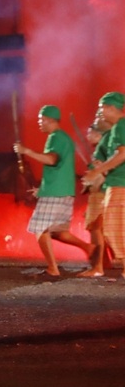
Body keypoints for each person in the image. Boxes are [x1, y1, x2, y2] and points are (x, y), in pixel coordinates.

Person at [14, 105, 93, 277]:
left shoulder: (55, 137)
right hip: (64, 190)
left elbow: (52, 160)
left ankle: (52, 268)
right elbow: (60, 168)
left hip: (55, 192)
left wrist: (26, 151)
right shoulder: (63, 138)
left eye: (41, 120)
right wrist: (42, 189)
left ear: (49, 120)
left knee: (39, 228)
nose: (39, 123)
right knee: (58, 232)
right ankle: (88, 247)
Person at [83, 92, 125, 281]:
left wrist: (97, 171)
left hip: (120, 184)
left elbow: (122, 154)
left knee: (115, 228)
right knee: (113, 228)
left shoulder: (120, 126)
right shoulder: (116, 129)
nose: (99, 113)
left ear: (111, 108)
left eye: (102, 109)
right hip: (115, 183)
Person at [78, 116, 112, 277]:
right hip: (104, 193)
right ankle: (104, 263)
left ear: (99, 135)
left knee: (96, 229)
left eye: (90, 133)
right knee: (101, 230)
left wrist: (91, 180)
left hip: (100, 194)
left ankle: (97, 267)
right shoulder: (108, 149)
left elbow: (103, 175)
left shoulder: (102, 150)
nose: (87, 135)